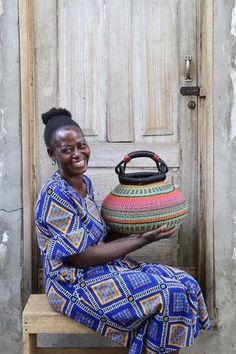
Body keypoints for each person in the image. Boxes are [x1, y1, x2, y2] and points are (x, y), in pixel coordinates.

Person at [35, 107, 211, 354]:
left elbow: (99, 237)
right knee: (167, 292)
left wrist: (146, 224)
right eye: (66, 150)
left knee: (184, 282)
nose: (78, 154)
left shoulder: (84, 183)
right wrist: (143, 239)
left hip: (99, 269)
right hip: (71, 284)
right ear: (52, 154)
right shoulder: (55, 195)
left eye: (81, 145)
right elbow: (79, 257)